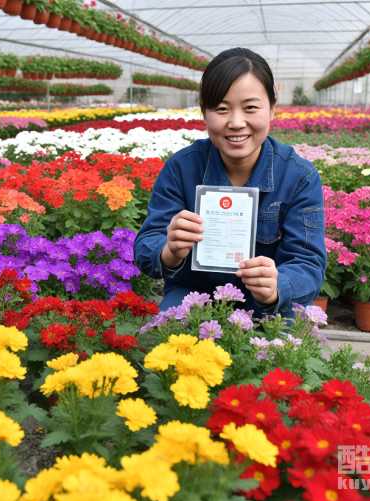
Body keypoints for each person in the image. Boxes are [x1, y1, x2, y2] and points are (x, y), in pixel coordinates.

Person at [134, 48, 326, 317]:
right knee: (169, 336)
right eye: (222, 109)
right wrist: (169, 250)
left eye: (250, 108)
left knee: (280, 344)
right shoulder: (182, 168)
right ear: (204, 113)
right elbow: (147, 244)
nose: (236, 123)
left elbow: (308, 263)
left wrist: (277, 286)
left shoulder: (298, 176)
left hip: (268, 308)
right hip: (192, 296)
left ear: (272, 109)